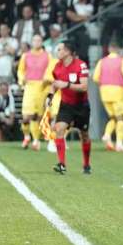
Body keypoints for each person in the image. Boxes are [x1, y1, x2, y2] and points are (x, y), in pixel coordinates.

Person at [46, 41, 91, 175]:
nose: (57, 52)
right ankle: (62, 164)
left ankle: (87, 164)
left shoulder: (81, 65)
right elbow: (54, 84)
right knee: (59, 129)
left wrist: (65, 85)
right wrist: (49, 98)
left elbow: (84, 87)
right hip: (66, 105)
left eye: (59, 49)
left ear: (67, 52)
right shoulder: (57, 67)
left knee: (84, 135)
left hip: (81, 106)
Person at [17, 34, 56, 151]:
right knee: (26, 116)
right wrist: (22, 79)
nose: (36, 42)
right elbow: (20, 70)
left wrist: (48, 80)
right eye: (34, 40)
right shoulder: (25, 56)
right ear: (32, 42)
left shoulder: (47, 56)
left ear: (42, 42)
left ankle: (35, 140)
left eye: (39, 40)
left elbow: (51, 70)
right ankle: (26, 135)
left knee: (38, 116)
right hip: (29, 86)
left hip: (42, 87)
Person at [93, 42, 123, 152]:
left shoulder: (102, 61)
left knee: (113, 117)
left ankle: (107, 135)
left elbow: (95, 78)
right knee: (121, 118)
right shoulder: (121, 61)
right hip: (117, 92)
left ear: (108, 49)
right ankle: (119, 143)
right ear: (118, 49)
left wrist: (103, 84)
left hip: (104, 93)